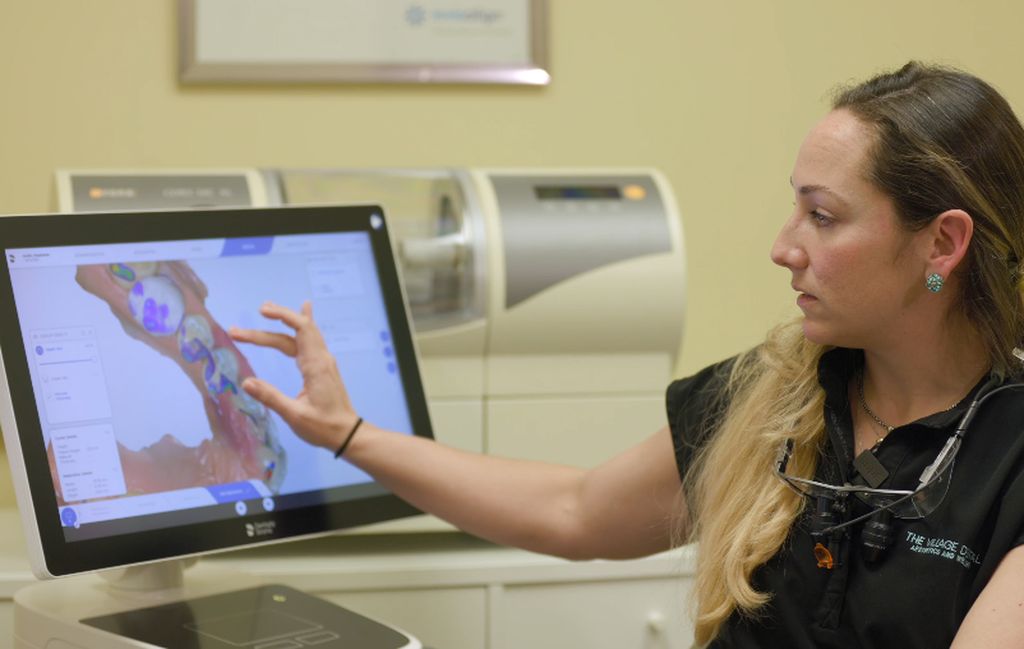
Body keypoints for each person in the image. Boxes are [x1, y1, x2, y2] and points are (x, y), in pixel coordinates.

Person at [228, 61, 1024, 648]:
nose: (784, 247)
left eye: (823, 215)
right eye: (795, 207)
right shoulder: (777, 394)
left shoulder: (1010, 457)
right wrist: (346, 433)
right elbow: (573, 510)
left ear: (942, 242)